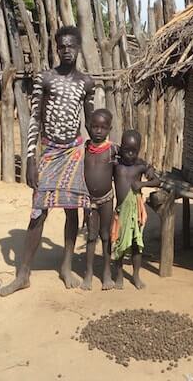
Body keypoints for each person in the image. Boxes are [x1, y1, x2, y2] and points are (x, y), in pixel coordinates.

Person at [0, 26, 95, 296]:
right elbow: (35, 118)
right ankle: (23, 273)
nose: (66, 51)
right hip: (50, 151)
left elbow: (91, 120)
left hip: (74, 151)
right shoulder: (45, 78)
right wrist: (31, 158)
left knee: (71, 208)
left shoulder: (87, 83)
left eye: (71, 46)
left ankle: (66, 265)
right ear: (56, 48)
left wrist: (100, 152)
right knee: (38, 209)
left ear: (78, 47)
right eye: (62, 46)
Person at [111, 129, 160, 290]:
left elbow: (157, 181)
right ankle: (119, 276)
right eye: (126, 150)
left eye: (134, 151)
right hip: (120, 211)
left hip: (135, 213)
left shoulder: (140, 166)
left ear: (139, 150)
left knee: (135, 245)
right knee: (119, 244)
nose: (130, 154)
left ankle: (136, 275)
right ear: (121, 148)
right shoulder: (116, 165)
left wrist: (143, 184)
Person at [82, 108, 117, 291]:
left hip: (107, 199)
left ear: (109, 128)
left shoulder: (113, 150)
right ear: (89, 127)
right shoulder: (85, 148)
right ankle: (88, 273)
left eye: (102, 127)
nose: (98, 131)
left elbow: (126, 168)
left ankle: (106, 273)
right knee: (91, 236)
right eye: (94, 126)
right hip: (89, 200)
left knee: (105, 236)